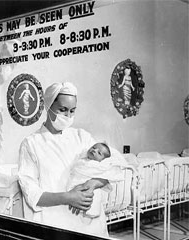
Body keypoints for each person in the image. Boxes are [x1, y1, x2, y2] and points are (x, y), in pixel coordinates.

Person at [18, 82, 125, 237]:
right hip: (56, 224)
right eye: (62, 110)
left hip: (90, 223)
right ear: (48, 106)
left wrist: (92, 184)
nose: (68, 116)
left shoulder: (82, 136)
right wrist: (68, 198)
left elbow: (115, 165)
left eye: (72, 111)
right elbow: (31, 193)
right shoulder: (32, 143)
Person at [67, 142, 126, 221]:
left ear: (102, 160)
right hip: (76, 182)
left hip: (89, 184)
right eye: (94, 147)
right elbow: (76, 168)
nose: (94, 150)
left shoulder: (99, 165)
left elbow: (110, 173)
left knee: (94, 195)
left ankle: (92, 211)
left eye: (99, 153)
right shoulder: (82, 159)